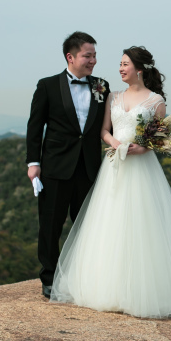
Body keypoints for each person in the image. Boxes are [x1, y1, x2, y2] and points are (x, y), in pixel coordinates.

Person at [49, 46, 171, 323]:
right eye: (120, 63)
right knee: (110, 222)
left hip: (141, 168)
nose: (120, 68)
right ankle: (107, 288)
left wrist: (144, 148)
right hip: (115, 164)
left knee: (143, 225)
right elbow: (104, 130)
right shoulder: (113, 97)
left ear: (139, 69)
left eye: (125, 64)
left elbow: (160, 138)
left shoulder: (156, 100)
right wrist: (115, 143)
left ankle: (146, 291)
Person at [26, 31, 110, 298]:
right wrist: (33, 162)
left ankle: (84, 277)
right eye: (88, 55)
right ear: (70, 57)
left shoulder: (102, 86)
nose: (93, 61)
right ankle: (49, 278)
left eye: (95, 55)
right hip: (55, 167)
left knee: (87, 226)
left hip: (89, 168)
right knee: (50, 225)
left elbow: (109, 124)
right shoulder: (47, 86)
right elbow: (35, 127)